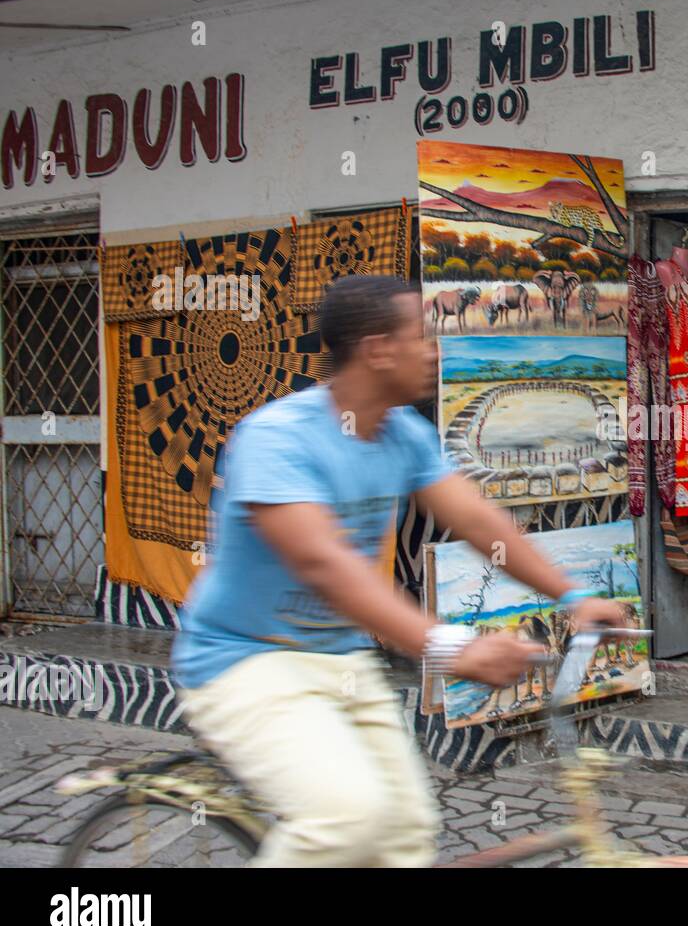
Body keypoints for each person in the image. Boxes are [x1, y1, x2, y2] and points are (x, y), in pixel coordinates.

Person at [172, 275, 626, 867]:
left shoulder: (405, 433)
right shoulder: (277, 439)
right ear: (379, 349)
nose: (435, 350)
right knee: (348, 821)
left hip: (338, 659)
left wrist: (573, 594)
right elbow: (322, 563)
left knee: (407, 829)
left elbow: (477, 520)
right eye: (423, 337)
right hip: (244, 661)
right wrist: (452, 648)